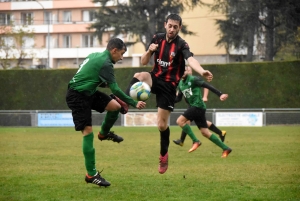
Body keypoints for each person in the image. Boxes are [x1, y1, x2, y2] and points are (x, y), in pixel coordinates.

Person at [125, 14, 213, 174]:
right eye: (170, 25)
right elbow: (144, 62)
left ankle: (164, 156)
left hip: (169, 87)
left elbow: (191, 60)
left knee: (161, 125)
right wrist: (149, 51)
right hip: (155, 78)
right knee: (140, 75)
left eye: (175, 27)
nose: (172, 29)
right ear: (165, 25)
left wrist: (201, 71)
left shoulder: (181, 45)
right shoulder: (157, 39)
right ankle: (124, 101)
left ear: (179, 28)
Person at [66, 38, 146, 187]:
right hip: (77, 96)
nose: (121, 58)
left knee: (115, 106)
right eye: (121, 54)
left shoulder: (94, 55)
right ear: (114, 50)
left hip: (89, 92)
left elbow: (88, 74)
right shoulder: (106, 63)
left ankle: (104, 133)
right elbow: (114, 89)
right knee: (87, 132)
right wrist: (134, 102)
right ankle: (91, 174)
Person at [175, 65, 232, 157]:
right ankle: (226, 148)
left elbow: (207, 86)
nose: (183, 72)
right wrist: (167, 100)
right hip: (196, 107)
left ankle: (195, 141)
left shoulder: (193, 79)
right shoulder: (181, 84)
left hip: (197, 106)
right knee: (205, 132)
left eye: (185, 70)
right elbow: (178, 99)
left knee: (180, 121)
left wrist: (220, 94)